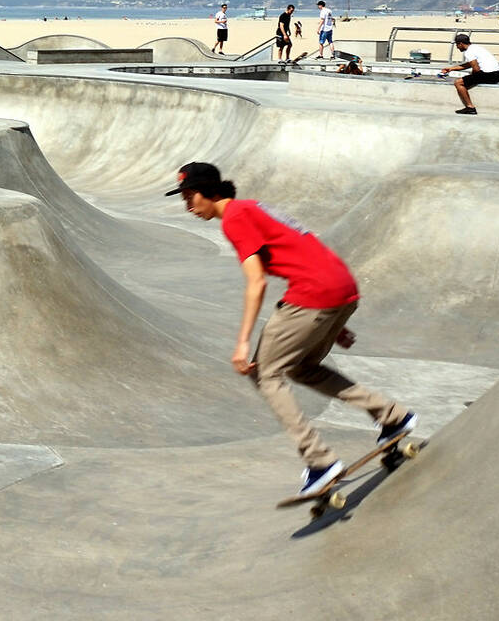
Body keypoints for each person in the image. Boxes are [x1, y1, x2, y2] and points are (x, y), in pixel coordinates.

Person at [168, 161, 416, 499]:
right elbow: (308, 247)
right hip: (340, 288)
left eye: (189, 196)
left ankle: (319, 460)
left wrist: (241, 344)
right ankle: (393, 417)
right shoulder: (254, 208)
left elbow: (256, 282)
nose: (187, 206)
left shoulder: (236, 219)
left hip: (313, 295)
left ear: (207, 192)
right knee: (302, 367)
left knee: (265, 374)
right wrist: (334, 318)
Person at [438, 34, 499, 115]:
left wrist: (471, 78)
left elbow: (476, 69)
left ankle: (470, 107)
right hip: (498, 74)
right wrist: (451, 69)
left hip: (489, 75)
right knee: (467, 78)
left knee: (458, 82)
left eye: (457, 45)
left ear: (461, 44)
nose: (457, 47)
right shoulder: (476, 48)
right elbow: (469, 64)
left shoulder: (469, 52)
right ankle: (469, 107)